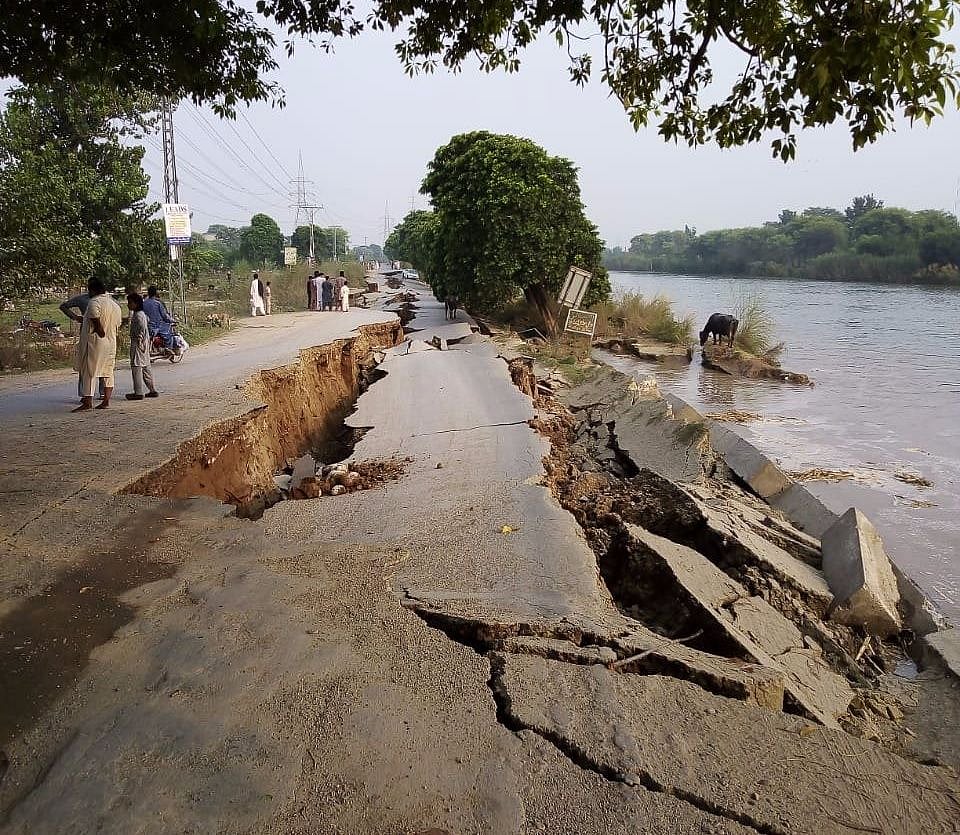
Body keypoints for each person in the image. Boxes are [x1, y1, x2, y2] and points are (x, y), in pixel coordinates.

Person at [73, 277, 122, 412]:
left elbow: (96, 320)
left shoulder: (94, 302)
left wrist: (99, 330)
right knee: (108, 371)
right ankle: (106, 400)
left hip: (96, 343)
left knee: (89, 371)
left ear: (93, 290)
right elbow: (118, 324)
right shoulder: (114, 304)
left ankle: (87, 401)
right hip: (111, 343)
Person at [125, 293, 158, 401]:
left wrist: (139, 340)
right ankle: (152, 390)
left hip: (138, 344)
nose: (128, 305)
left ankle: (138, 392)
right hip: (144, 343)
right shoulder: (141, 314)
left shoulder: (138, 315)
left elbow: (142, 329)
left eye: (130, 302)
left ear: (136, 303)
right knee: (145, 367)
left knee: (136, 367)